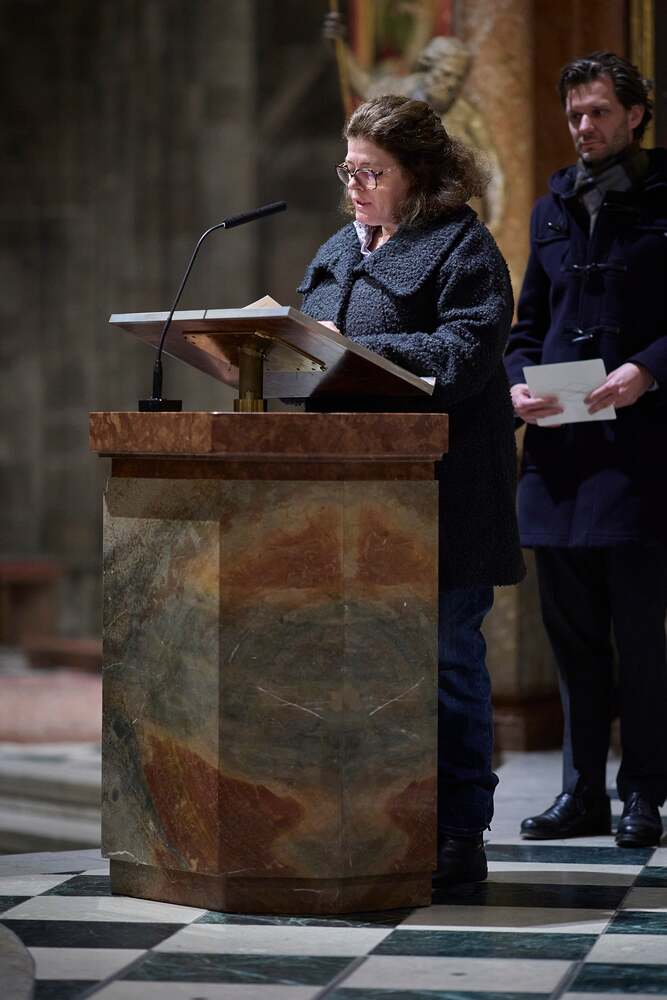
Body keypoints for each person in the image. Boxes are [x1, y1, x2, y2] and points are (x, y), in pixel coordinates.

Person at [297, 94, 524, 884]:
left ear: (419, 175)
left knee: (447, 659)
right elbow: (306, 353)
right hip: (350, 492)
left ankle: (459, 829)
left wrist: (353, 348)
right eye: (348, 170)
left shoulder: (462, 247)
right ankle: (372, 821)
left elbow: (462, 354)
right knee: (360, 664)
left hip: (445, 491)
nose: (354, 186)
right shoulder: (337, 249)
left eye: (372, 172)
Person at [504, 52, 667, 848]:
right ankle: (580, 794)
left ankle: (643, 793)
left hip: (638, 454)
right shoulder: (551, 207)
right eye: (573, 114)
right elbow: (526, 328)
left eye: (598, 111)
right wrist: (514, 387)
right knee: (571, 640)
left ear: (634, 114)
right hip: (559, 456)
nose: (583, 126)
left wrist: (648, 369)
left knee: (637, 638)